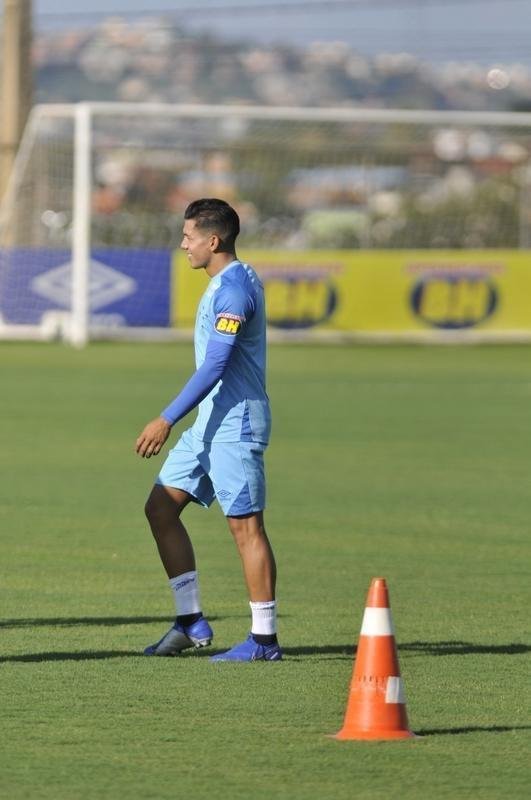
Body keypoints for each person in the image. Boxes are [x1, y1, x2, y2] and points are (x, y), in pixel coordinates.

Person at [135, 198, 281, 662]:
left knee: (246, 528)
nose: (183, 245)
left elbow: (217, 364)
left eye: (189, 237)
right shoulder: (223, 283)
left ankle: (264, 641)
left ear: (213, 241)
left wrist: (165, 418)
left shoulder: (235, 290)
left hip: (235, 423)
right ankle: (189, 622)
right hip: (209, 424)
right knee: (160, 508)